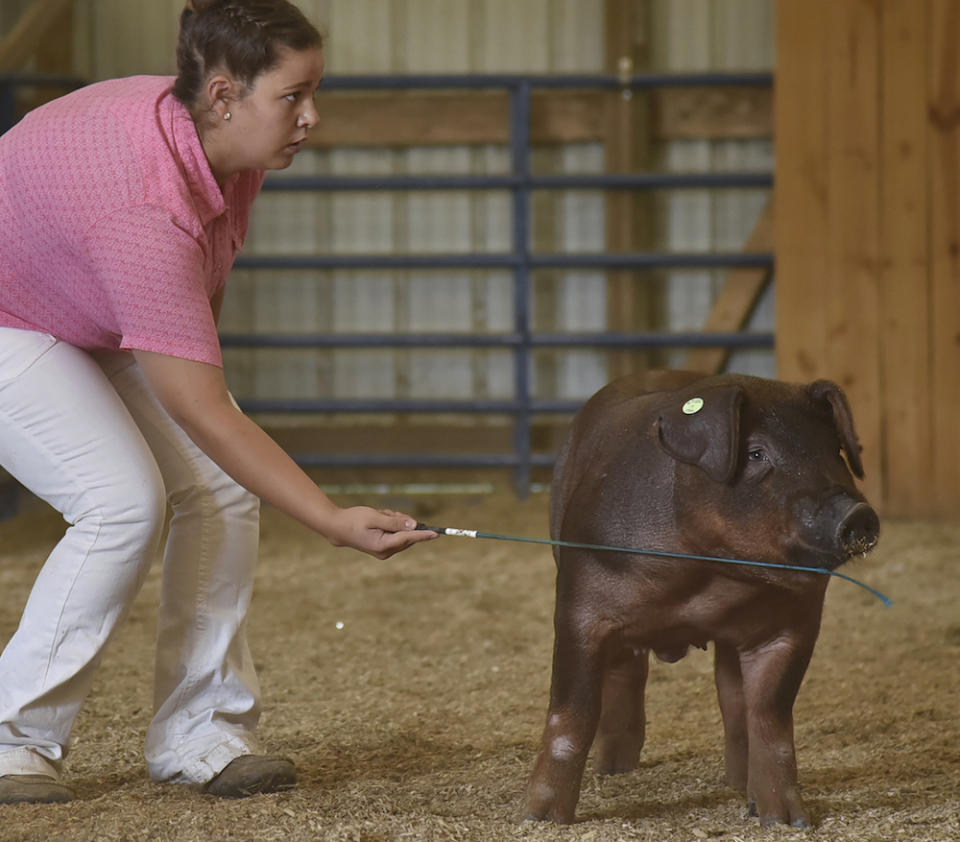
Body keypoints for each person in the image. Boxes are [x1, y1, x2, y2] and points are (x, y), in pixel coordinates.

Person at [0, 0, 436, 805]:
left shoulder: (227, 151)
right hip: (9, 315)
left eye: (315, 91)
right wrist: (330, 518)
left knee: (222, 488)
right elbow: (202, 406)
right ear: (226, 95)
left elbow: (196, 329)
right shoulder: (145, 202)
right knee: (119, 500)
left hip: (79, 295)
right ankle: (9, 738)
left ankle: (202, 734)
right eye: (294, 96)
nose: (313, 116)